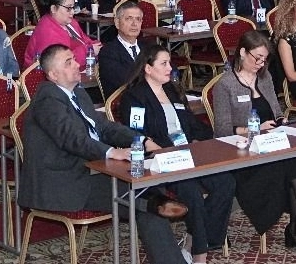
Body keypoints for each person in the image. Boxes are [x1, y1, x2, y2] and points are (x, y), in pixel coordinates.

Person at [20, 44, 185, 264]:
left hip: (90, 171)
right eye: (68, 63)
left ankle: (156, 205)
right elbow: (72, 139)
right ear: (53, 75)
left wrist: (141, 140)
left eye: (74, 59)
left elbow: (104, 127)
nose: (77, 64)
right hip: (63, 182)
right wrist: (111, 151)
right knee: (142, 196)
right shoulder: (47, 100)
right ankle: (156, 207)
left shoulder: (78, 93)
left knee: (145, 190)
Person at [113, 45, 236, 264]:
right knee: (192, 193)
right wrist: (158, 148)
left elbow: (192, 124)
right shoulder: (135, 97)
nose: (170, 68)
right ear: (148, 68)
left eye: (170, 63)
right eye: (164, 63)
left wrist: (212, 140)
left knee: (225, 182)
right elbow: (135, 134)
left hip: (189, 153)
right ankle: (199, 253)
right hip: (161, 161)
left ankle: (199, 238)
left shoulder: (172, 91)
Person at [207, 31, 296, 250]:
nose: (260, 64)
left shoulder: (265, 77)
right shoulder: (225, 84)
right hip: (245, 154)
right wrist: (255, 129)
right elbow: (221, 130)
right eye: (257, 58)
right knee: (289, 165)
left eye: (264, 59)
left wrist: (281, 121)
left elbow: (276, 111)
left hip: (272, 144)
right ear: (243, 52)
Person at [95, 0, 145, 93]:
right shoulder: (108, 52)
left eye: (138, 19)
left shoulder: (148, 47)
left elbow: (168, 72)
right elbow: (126, 82)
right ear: (117, 23)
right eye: (129, 18)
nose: (134, 24)